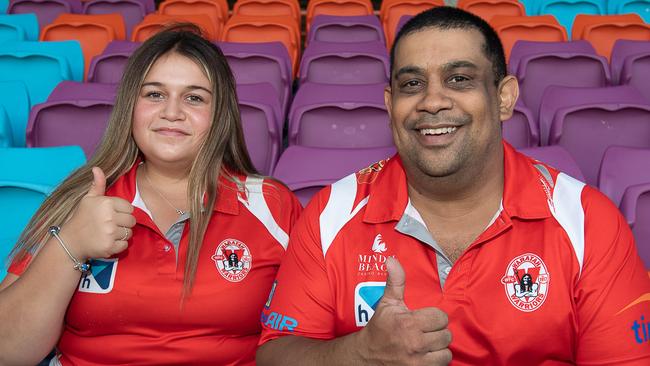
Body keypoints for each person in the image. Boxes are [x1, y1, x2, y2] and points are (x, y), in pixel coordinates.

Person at [256, 6, 650, 366]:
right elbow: (274, 355)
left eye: (459, 79)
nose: (432, 101)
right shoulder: (331, 214)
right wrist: (359, 353)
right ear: (390, 104)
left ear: (503, 98)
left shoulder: (587, 220)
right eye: (412, 85)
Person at [0, 25, 302, 365]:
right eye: (155, 94)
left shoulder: (271, 205)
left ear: (220, 115)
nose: (171, 112)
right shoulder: (79, 200)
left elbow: (310, 337)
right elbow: (7, 351)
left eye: (194, 97)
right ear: (131, 106)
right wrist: (70, 243)